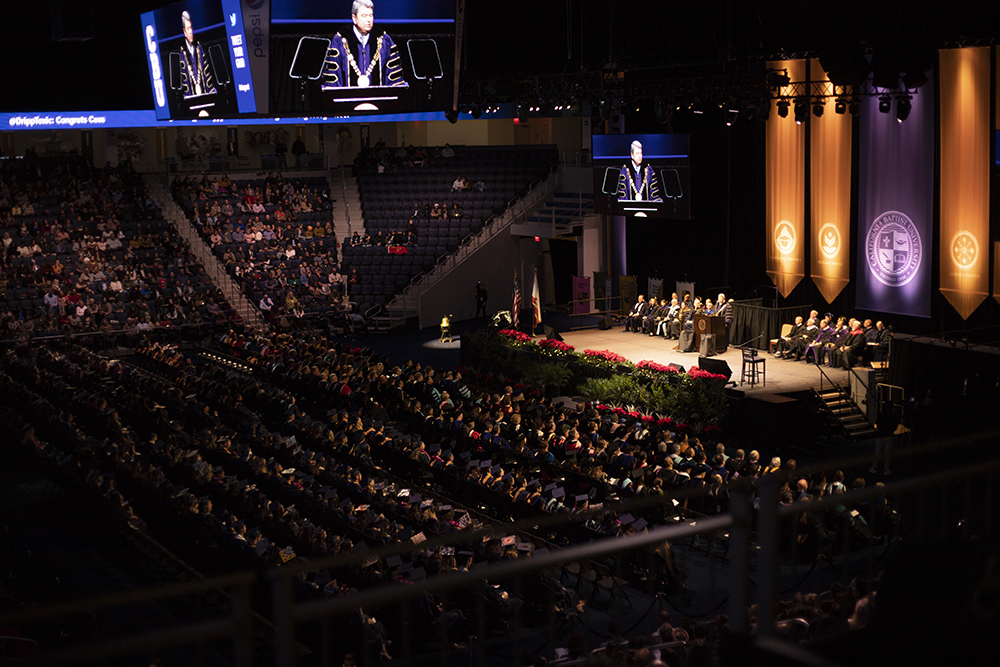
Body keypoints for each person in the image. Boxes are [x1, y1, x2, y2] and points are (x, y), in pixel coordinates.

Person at [321, 1, 406, 89]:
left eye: (371, 15)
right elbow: (333, 82)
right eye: (364, 16)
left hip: (379, 97)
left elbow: (395, 81)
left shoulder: (384, 40)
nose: (368, 20)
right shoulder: (340, 41)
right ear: (354, 18)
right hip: (348, 97)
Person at [178, 11, 216, 99]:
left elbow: (206, 74)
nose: (190, 32)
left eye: (191, 28)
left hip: (205, 96)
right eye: (188, 29)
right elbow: (184, 81)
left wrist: (210, 92)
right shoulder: (182, 52)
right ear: (184, 32)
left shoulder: (199, 48)